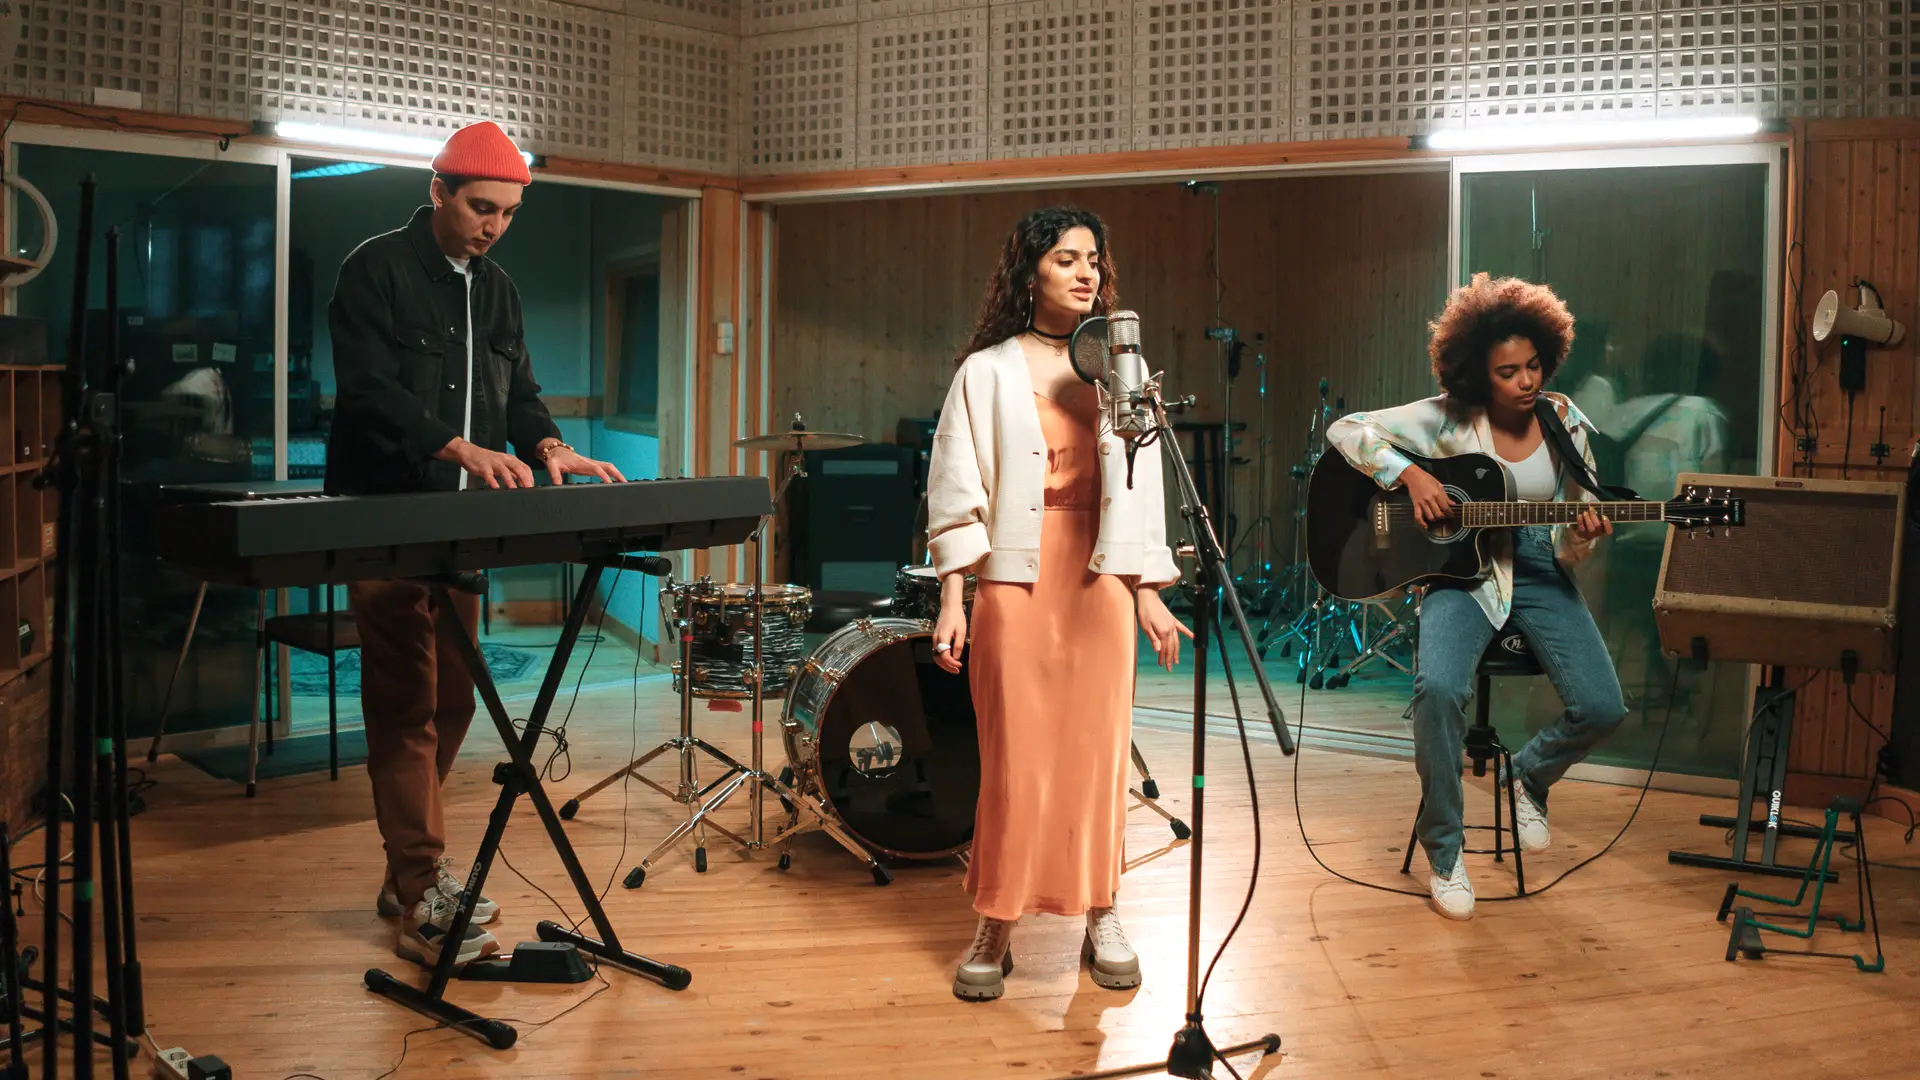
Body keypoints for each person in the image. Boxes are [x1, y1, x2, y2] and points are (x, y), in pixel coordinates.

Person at [326, 120, 626, 969]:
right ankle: (423, 886)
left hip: (464, 527)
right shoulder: (373, 269)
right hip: (385, 518)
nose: (493, 226)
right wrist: (452, 446)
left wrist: (549, 447)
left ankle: (407, 872)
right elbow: (368, 392)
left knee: (455, 698)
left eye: (508, 213)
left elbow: (521, 393)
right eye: (480, 207)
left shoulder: (498, 290)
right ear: (438, 193)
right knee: (405, 700)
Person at [925, 206, 1190, 1000]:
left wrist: (1147, 591)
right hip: (1015, 582)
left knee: (1099, 756)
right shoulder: (987, 370)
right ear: (1029, 272)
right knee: (1015, 763)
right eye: (1067, 258)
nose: (1086, 273)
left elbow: (1143, 485)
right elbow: (955, 488)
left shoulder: (1122, 369)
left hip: (1100, 580)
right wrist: (952, 596)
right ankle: (996, 919)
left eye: (1094, 261)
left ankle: (1099, 910)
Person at [1326, 273, 1627, 920]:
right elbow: (1346, 431)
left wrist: (1586, 531)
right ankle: (1445, 851)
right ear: (1476, 373)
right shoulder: (1448, 417)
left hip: (1539, 565)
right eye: (1508, 371)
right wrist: (1408, 476)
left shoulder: (1566, 421)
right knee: (1437, 690)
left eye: (1534, 365)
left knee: (1604, 705)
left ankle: (1530, 776)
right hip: (1461, 573)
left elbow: (1580, 525)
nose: (1526, 381)